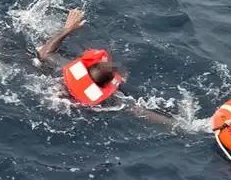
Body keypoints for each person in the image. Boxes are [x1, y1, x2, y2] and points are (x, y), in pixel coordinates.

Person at [36, 9, 177, 126]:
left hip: (58, 98)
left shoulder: (66, 69)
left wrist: (68, 29)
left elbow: (44, 52)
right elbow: (141, 112)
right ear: (108, 85)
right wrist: (178, 124)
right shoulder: (111, 101)